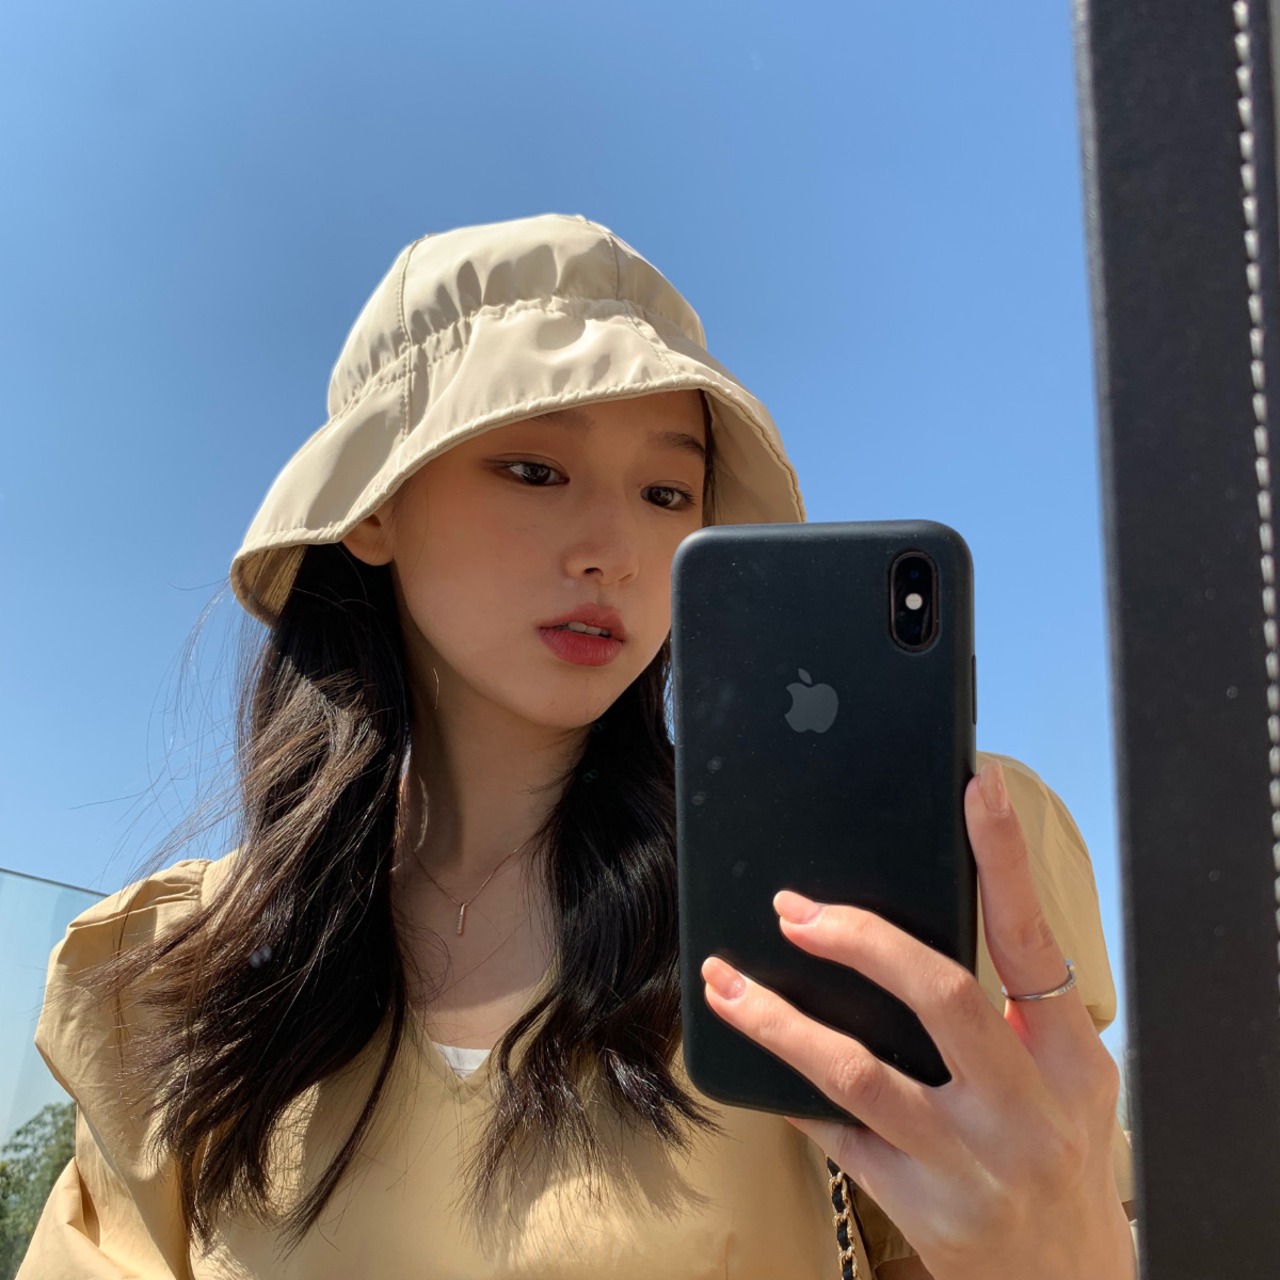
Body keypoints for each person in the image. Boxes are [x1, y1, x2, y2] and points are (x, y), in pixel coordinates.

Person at [18, 213, 1136, 1279]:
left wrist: (1065, 1255)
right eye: (535, 470)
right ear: (373, 505)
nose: (616, 549)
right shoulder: (174, 976)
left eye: (666, 491)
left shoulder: (860, 880)